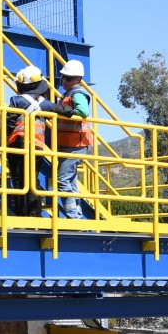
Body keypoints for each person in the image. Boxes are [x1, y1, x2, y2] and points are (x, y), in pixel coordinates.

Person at [5, 65, 62, 217]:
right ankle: (34, 214)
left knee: (19, 183)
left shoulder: (16, 101)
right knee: (33, 181)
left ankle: (21, 216)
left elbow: (9, 123)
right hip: (36, 147)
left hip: (17, 146)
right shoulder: (45, 104)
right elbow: (63, 110)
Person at [53, 60, 94, 219]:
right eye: (63, 77)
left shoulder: (77, 93)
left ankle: (73, 218)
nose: (64, 81)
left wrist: (63, 111)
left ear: (78, 79)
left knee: (63, 180)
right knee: (71, 181)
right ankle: (77, 216)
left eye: (68, 78)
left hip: (75, 145)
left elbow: (83, 111)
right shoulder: (67, 94)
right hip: (68, 145)